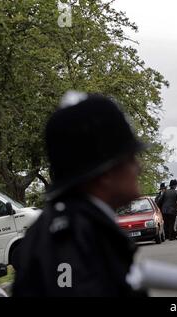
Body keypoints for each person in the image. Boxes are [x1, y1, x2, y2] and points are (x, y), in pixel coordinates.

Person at [12, 91, 149, 296]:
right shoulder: (70, 239)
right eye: (130, 158)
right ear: (105, 173)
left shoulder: (80, 228)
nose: (138, 168)